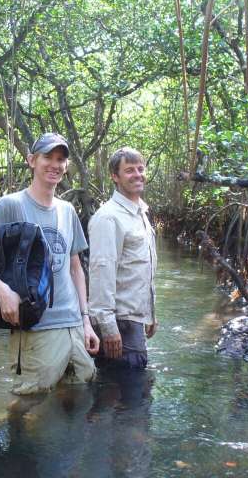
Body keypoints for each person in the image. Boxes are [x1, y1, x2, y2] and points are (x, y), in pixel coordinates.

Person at [0, 132, 100, 395]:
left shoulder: (67, 210)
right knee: (30, 407)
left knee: (77, 400)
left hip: (73, 325)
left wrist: (86, 321)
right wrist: (3, 291)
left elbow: (75, 267)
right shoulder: (9, 205)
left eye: (61, 159)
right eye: (47, 157)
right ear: (32, 160)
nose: (55, 164)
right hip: (36, 329)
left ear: (66, 167)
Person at [88, 147, 157, 369]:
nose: (137, 174)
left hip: (134, 320)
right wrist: (108, 328)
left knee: (129, 394)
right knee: (129, 395)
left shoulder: (140, 214)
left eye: (140, 168)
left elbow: (140, 270)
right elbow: (101, 272)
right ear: (115, 177)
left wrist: (150, 314)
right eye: (129, 170)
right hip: (119, 324)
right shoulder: (108, 217)